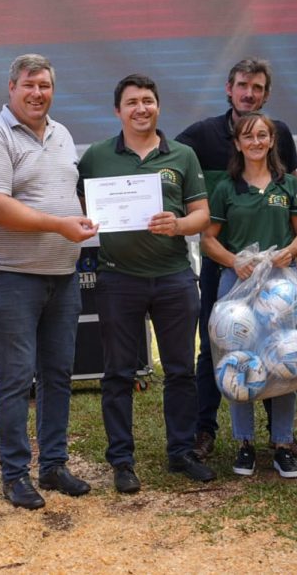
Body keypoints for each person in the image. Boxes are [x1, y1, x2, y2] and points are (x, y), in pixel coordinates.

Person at [0, 54, 98, 510]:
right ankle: (15, 473)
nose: (38, 93)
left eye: (45, 85)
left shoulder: (62, 135)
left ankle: (54, 464)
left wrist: (88, 215)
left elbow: (66, 194)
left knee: (59, 374)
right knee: (16, 377)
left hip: (61, 275)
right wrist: (59, 226)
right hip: (9, 277)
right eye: (29, 85)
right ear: (11, 87)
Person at [77, 74, 214, 493]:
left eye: (148, 101)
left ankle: (181, 452)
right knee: (118, 373)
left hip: (173, 277)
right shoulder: (97, 156)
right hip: (118, 277)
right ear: (117, 110)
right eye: (132, 102)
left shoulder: (183, 155)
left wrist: (178, 225)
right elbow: (80, 207)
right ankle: (121, 460)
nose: (141, 108)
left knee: (180, 371)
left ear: (158, 107)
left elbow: (202, 215)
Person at [176, 57, 297, 463]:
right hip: (228, 271)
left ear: (266, 95)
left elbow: (296, 205)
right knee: (221, 351)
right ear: (229, 89)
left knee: (281, 350)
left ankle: (281, 439)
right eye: (242, 86)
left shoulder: (281, 136)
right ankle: (209, 433)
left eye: (256, 88)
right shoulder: (202, 134)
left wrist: (295, 255)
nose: (249, 93)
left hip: (279, 274)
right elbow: (172, 159)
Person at [200, 112, 297, 479]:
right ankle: (244, 443)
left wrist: (289, 253)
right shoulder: (225, 187)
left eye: (262, 135)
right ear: (237, 143)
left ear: (272, 140)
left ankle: (282, 444)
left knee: (285, 359)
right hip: (237, 284)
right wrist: (235, 261)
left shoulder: (287, 186)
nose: (256, 142)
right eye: (248, 136)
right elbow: (208, 238)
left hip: (281, 285)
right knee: (240, 362)